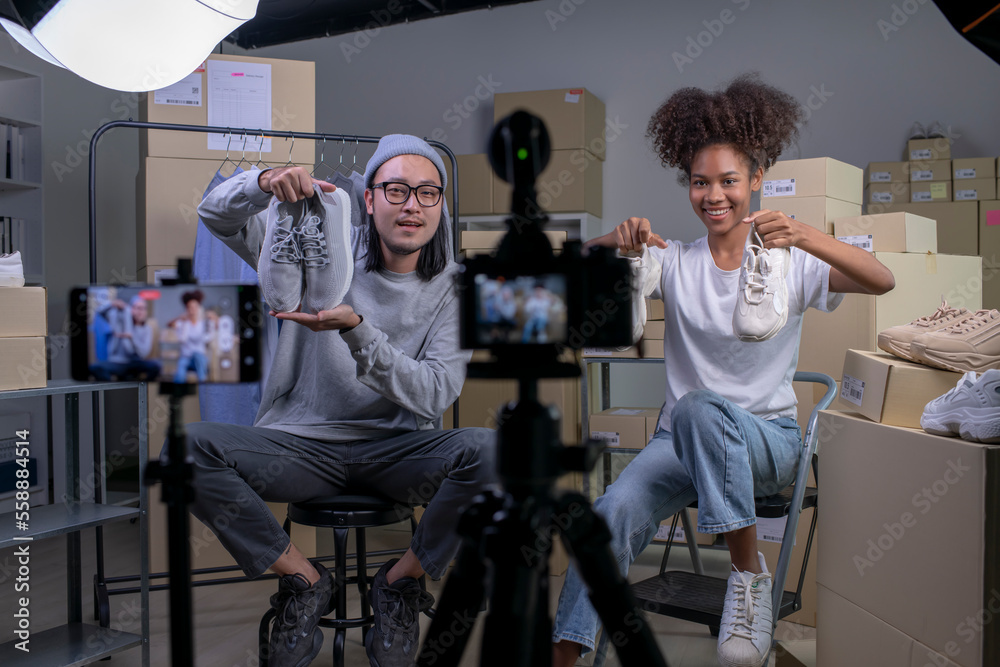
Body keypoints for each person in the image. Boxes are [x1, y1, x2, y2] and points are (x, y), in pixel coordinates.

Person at [551, 74, 895, 667]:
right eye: (699, 181)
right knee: (605, 519)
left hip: (768, 442)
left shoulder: (789, 263)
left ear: (756, 180)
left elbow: (881, 279)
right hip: (680, 444)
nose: (714, 195)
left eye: (729, 181)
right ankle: (563, 657)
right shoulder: (674, 262)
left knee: (698, 407)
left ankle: (746, 575)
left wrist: (807, 235)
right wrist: (617, 240)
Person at [193, 134, 495, 667]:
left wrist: (357, 330)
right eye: (397, 189)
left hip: (399, 454)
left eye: (428, 193)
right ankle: (304, 581)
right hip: (300, 448)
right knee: (186, 448)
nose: (412, 205)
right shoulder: (317, 242)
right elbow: (215, 214)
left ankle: (400, 583)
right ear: (370, 198)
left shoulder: (457, 286)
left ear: (441, 206)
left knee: (497, 451)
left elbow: (435, 393)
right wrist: (262, 184)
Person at [90, 295, 161, 381]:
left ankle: (141, 385)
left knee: (156, 366)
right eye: (137, 308)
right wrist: (112, 304)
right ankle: (112, 387)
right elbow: (100, 312)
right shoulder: (118, 321)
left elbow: (144, 353)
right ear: (131, 309)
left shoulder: (147, 329)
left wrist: (131, 337)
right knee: (95, 367)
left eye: (143, 309)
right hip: (117, 362)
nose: (140, 312)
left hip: (135, 363)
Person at [168, 289, 217, 383]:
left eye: (195, 307)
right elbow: (169, 324)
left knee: (199, 359)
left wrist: (213, 317)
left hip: (199, 358)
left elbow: (216, 328)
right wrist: (180, 317)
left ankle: (203, 384)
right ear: (187, 309)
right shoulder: (183, 323)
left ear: (199, 308)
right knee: (180, 373)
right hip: (186, 357)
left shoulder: (203, 323)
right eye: (190, 307)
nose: (192, 310)